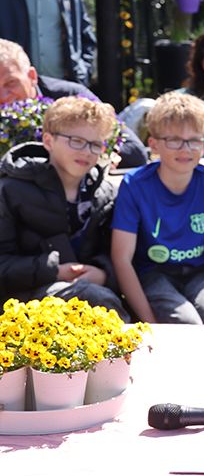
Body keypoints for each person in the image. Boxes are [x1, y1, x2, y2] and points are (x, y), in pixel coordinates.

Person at [110, 93, 204, 325]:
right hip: (153, 275)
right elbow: (121, 258)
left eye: (194, 140)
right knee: (186, 322)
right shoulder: (135, 185)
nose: (185, 149)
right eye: (174, 140)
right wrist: (149, 323)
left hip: (200, 273)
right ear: (154, 144)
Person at [0, 97, 127, 318]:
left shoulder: (104, 194)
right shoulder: (10, 191)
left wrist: (103, 273)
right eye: (76, 141)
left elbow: (121, 256)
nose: (87, 151)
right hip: (22, 306)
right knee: (94, 297)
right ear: (48, 141)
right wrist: (53, 270)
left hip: (93, 291)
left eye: (95, 144)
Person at [0, 39, 148, 166]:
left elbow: (135, 151)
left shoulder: (72, 97)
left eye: (11, 83)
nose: (3, 96)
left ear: (32, 76)